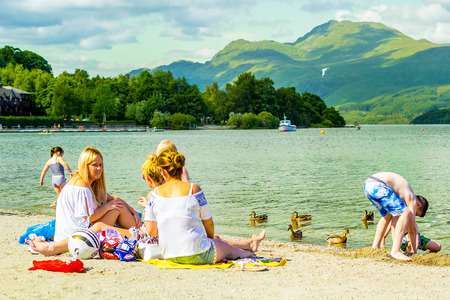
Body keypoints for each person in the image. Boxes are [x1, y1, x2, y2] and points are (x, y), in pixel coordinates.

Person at [144, 149, 265, 264]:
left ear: (163, 172)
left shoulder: (154, 195)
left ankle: (249, 245)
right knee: (226, 248)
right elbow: (209, 223)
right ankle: (248, 253)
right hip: (198, 254)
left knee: (218, 243)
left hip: (170, 255)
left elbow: (152, 231)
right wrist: (212, 240)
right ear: (181, 169)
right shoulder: (194, 189)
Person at [28, 146, 140, 256]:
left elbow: (113, 198)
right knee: (112, 212)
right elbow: (89, 217)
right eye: (94, 165)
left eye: (100, 164)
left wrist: (133, 211)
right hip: (77, 238)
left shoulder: (81, 182)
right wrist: (107, 206)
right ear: (85, 166)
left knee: (116, 206)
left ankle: (138, 232)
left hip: (66, 236)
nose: (99, 168)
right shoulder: (82, 187)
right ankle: (140, 235)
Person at [363, 172, 429, 261]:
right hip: (378, 186)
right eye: (416, 213)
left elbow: (394, 225)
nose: (414, 215)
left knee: (387, 216)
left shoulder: (400, 195)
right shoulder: (412, 199)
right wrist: (414, 252)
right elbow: (412, 230)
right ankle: (395, 251)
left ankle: (375, 247)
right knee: (406, 213)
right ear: (418, 205)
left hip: (368, 185)